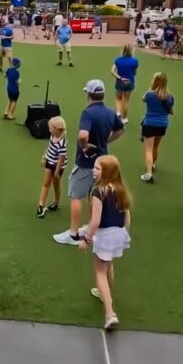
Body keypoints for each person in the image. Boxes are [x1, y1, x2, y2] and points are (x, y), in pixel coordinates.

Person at [53, 80, 125, 246]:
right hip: (103, 161)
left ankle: (73, 234)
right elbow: (120, 129)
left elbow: (83, 135)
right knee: (95, 194)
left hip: (86, 163)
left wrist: (85, 146)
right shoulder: (109, 112)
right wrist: (106, 141)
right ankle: (93, 227)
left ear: (89, 94)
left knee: (75, 195)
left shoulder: (88, 113)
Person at [78, 154, 131, 331]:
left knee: (100, 272)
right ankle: (105, 293)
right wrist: (124, 233)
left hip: (105, 234)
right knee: (108, 263)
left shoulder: (98, 191)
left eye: (98, 168)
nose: (94, 170)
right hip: (119, 233)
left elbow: (95, 221)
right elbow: (126, 215)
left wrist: (86, 239)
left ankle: (110, 313)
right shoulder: (121, 188)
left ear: (107, 172)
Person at [139, 72, 175, 183]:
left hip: (149, 123)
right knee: (155, 147)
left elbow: (143, 99)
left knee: (148, 149)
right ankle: (153, 164)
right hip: (162, 124)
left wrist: (151, 88)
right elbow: (172, 111)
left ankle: (148, 173)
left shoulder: (149, 94)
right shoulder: (169, 97)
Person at [36, 116, 67, 218]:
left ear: (57, 129)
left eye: (50, 128)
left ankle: (57, 202)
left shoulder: (62, 144)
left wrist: (57, 172)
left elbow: (60, 159)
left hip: (58, 166)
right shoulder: (52, 136)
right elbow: (48, 148)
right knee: (46, 183)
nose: (49, 130)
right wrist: (44, 157)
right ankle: (40, 205)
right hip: (49, 162)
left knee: (56, 184)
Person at [111, 44, 140, 123]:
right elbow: (135, 73)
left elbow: (112, 71)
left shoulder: (118, 60)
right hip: (130, 82)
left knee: (118, 99)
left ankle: (118, 112)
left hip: (120, 82)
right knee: (126, 100)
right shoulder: (135, 61)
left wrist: (120, 77)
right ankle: (125, 118)